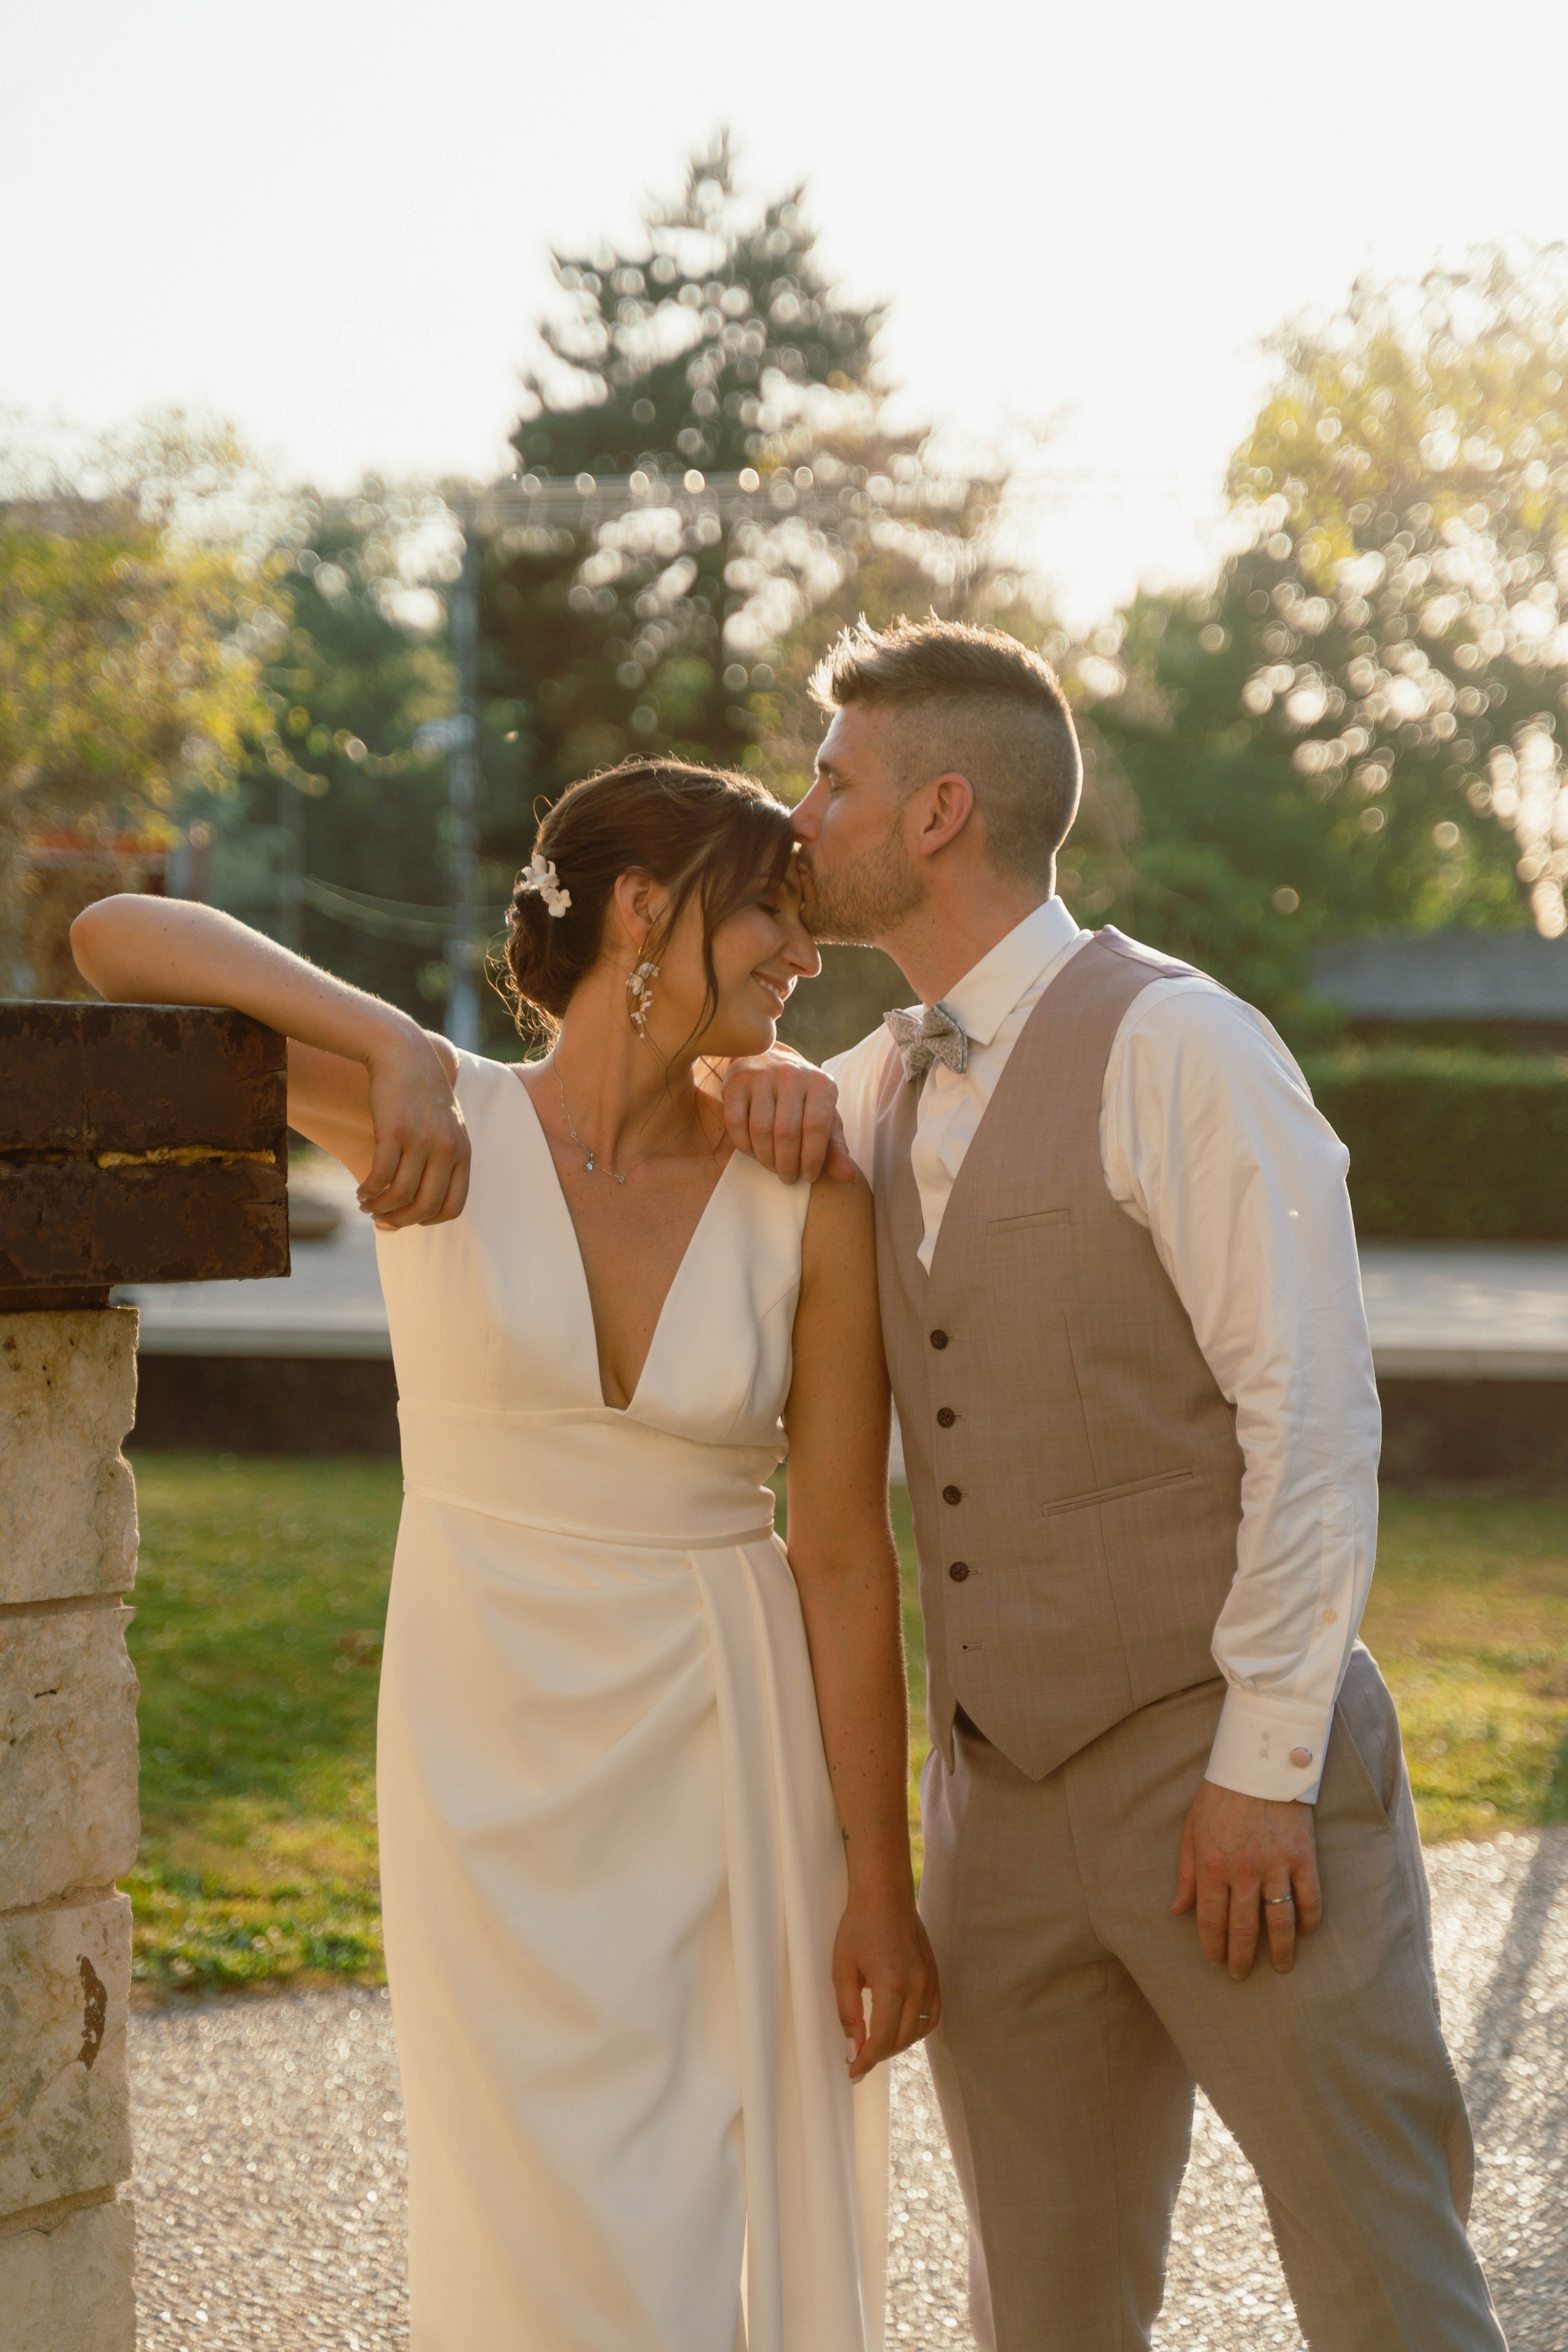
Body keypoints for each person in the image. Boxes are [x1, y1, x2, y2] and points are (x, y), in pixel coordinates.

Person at [71, 756, 937, 2352]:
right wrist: (387, 1041)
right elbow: (116, 935)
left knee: (713, 2216)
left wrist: (879, 1888)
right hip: (487, 1755)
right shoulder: (429, 1116)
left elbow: (841, 1555)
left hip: (725, 1746)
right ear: (642, 911)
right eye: (772, 913)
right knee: (523, 2209)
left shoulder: (804, 1182)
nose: (801, 957)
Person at [721, 619, 1506, 2351]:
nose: (803, 815)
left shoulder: (1186, 1049)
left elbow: (1314, 1416)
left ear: (938, 814)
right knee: (1047, 2319)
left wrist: (1264, 1764)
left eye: (830, 779)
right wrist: (757, 1094)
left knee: (1388, 2290)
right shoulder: (871, 1083)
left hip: (1228, 1785)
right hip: (994, 1816)